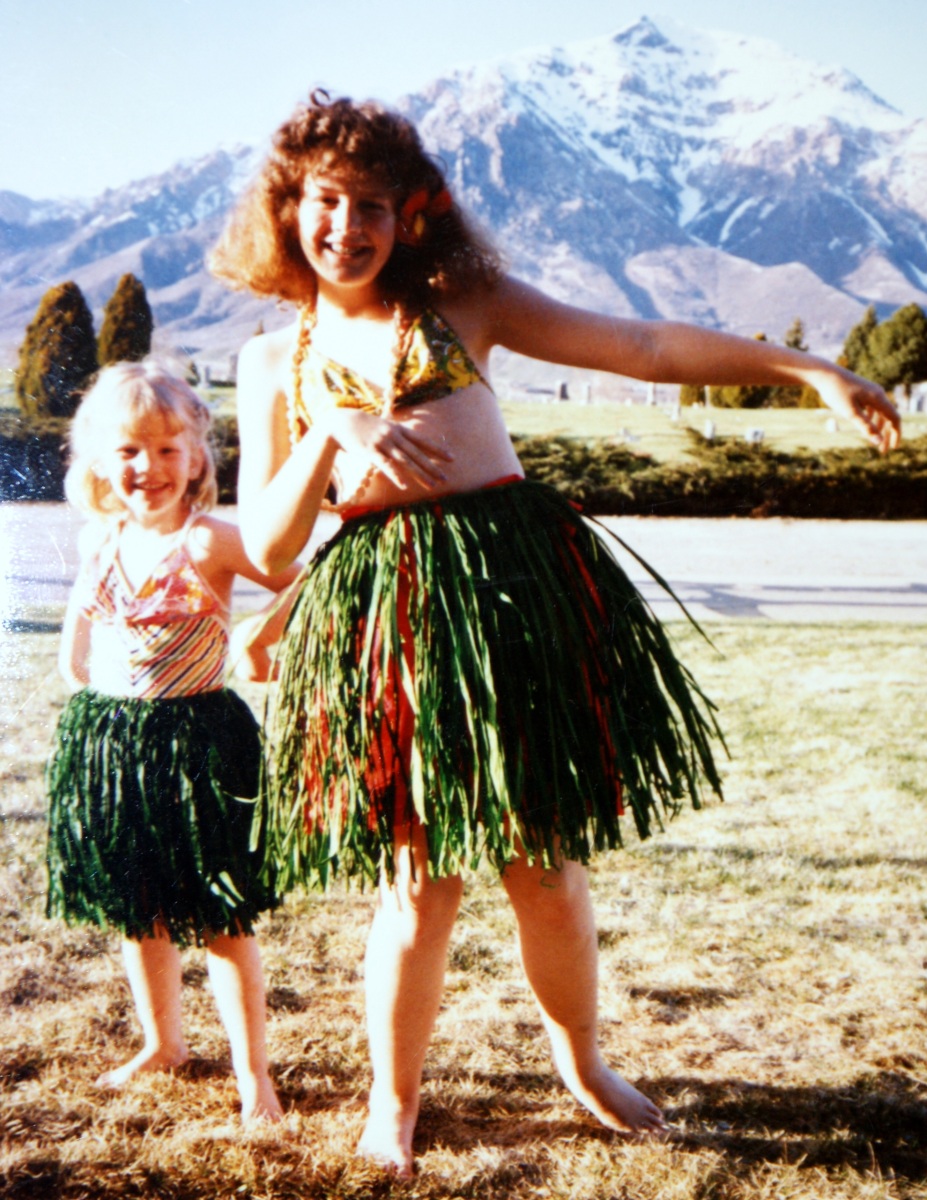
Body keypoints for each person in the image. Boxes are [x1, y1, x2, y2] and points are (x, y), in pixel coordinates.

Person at [210, 92, 900, 1173]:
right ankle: (394, 1102)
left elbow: (643, 344)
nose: (346, 227)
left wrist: (811, 371)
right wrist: (332, 433)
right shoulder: (273, 363)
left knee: (544, 867)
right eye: (326, 202)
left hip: (512, 599)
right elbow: (266, 543)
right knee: (417, 882)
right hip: (391, 620)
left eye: (372, 206)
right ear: (288, 208)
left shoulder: (462, 302)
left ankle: (581, 1061)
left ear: (411, 215)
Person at [45, 362, 301, 1123]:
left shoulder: (208, 539)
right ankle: (164, 1042)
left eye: (166, 449)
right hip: (114, 743)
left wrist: (259, 637)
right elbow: (78, 639)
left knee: (221, 916)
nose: (147, 467)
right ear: (100, 459)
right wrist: (85, 680)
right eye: (128, 450)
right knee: (140, 907)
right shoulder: (101, 537)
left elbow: (302, 578)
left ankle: (254, 1077)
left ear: (196, 458)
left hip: (196, 743)